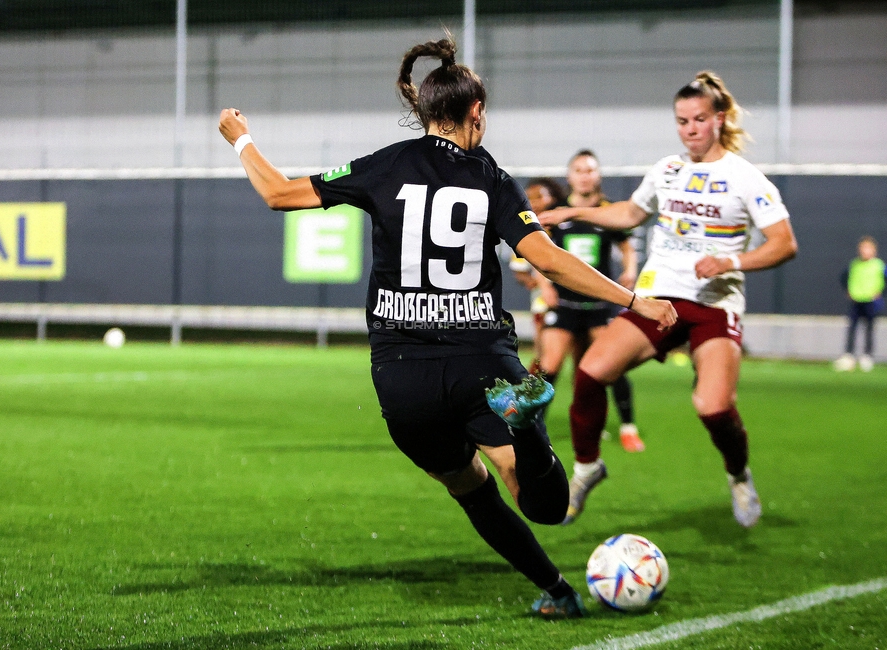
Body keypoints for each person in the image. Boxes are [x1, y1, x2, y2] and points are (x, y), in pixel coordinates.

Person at [218, 37, 677, 618]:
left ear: (426, 111)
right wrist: (632, 299)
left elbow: (278, 193)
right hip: (482, 363)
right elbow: (550, 260)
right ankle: (528, 431)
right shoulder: (492, 177)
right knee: (543, 502)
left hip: (401, 375)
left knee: (470, 488)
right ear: (475, 115)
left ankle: (558, 591)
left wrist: (243, 140)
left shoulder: (384, 165)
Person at [541, 70, 798, 528]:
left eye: (699, 119)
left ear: (719, 119)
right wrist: (573, 210)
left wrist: (731, 262)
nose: (690, 129)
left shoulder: (745, 177)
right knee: (591, 371)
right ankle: (587, 468)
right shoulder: (666, 169)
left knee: (712, 406)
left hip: (715, 305)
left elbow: (783, 243)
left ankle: (738, 474)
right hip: (659, 299)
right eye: (682, 121)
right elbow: (629, 213)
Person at [535, 150, 645, 456]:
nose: (585, 175)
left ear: (598, 175)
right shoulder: (556, 213)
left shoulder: (609, 212)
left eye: (590, 170)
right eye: (579, 170)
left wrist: (630, 270)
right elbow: (537, 251)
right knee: (548, 365)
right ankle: (535, 432)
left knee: (613, 364)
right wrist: (544, 285)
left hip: (601, 305)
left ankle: (628, 429)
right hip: (565, 304)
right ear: (570, 176)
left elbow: (627, 247)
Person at [508, 177, 565, 374]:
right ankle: (531, 394)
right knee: (543, 355)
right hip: (545, 302)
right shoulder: (527, 230)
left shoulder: (562, 224)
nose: (536, 202)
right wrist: (537, 283)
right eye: (530, 198)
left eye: (540, 196)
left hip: (572, 299)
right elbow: (519, 269)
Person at [833, 236, 887, 372]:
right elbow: (843, 277)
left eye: (868, 248)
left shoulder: (878, 265)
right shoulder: (854, 264)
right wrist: (848, 291)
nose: (865, 251)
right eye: (863, 248)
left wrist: (880, 292)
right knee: (852, 328)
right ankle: (848, 356)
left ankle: (867, 357)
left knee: (869, 329)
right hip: (857, 300)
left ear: (874, 251)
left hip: (871, 302)